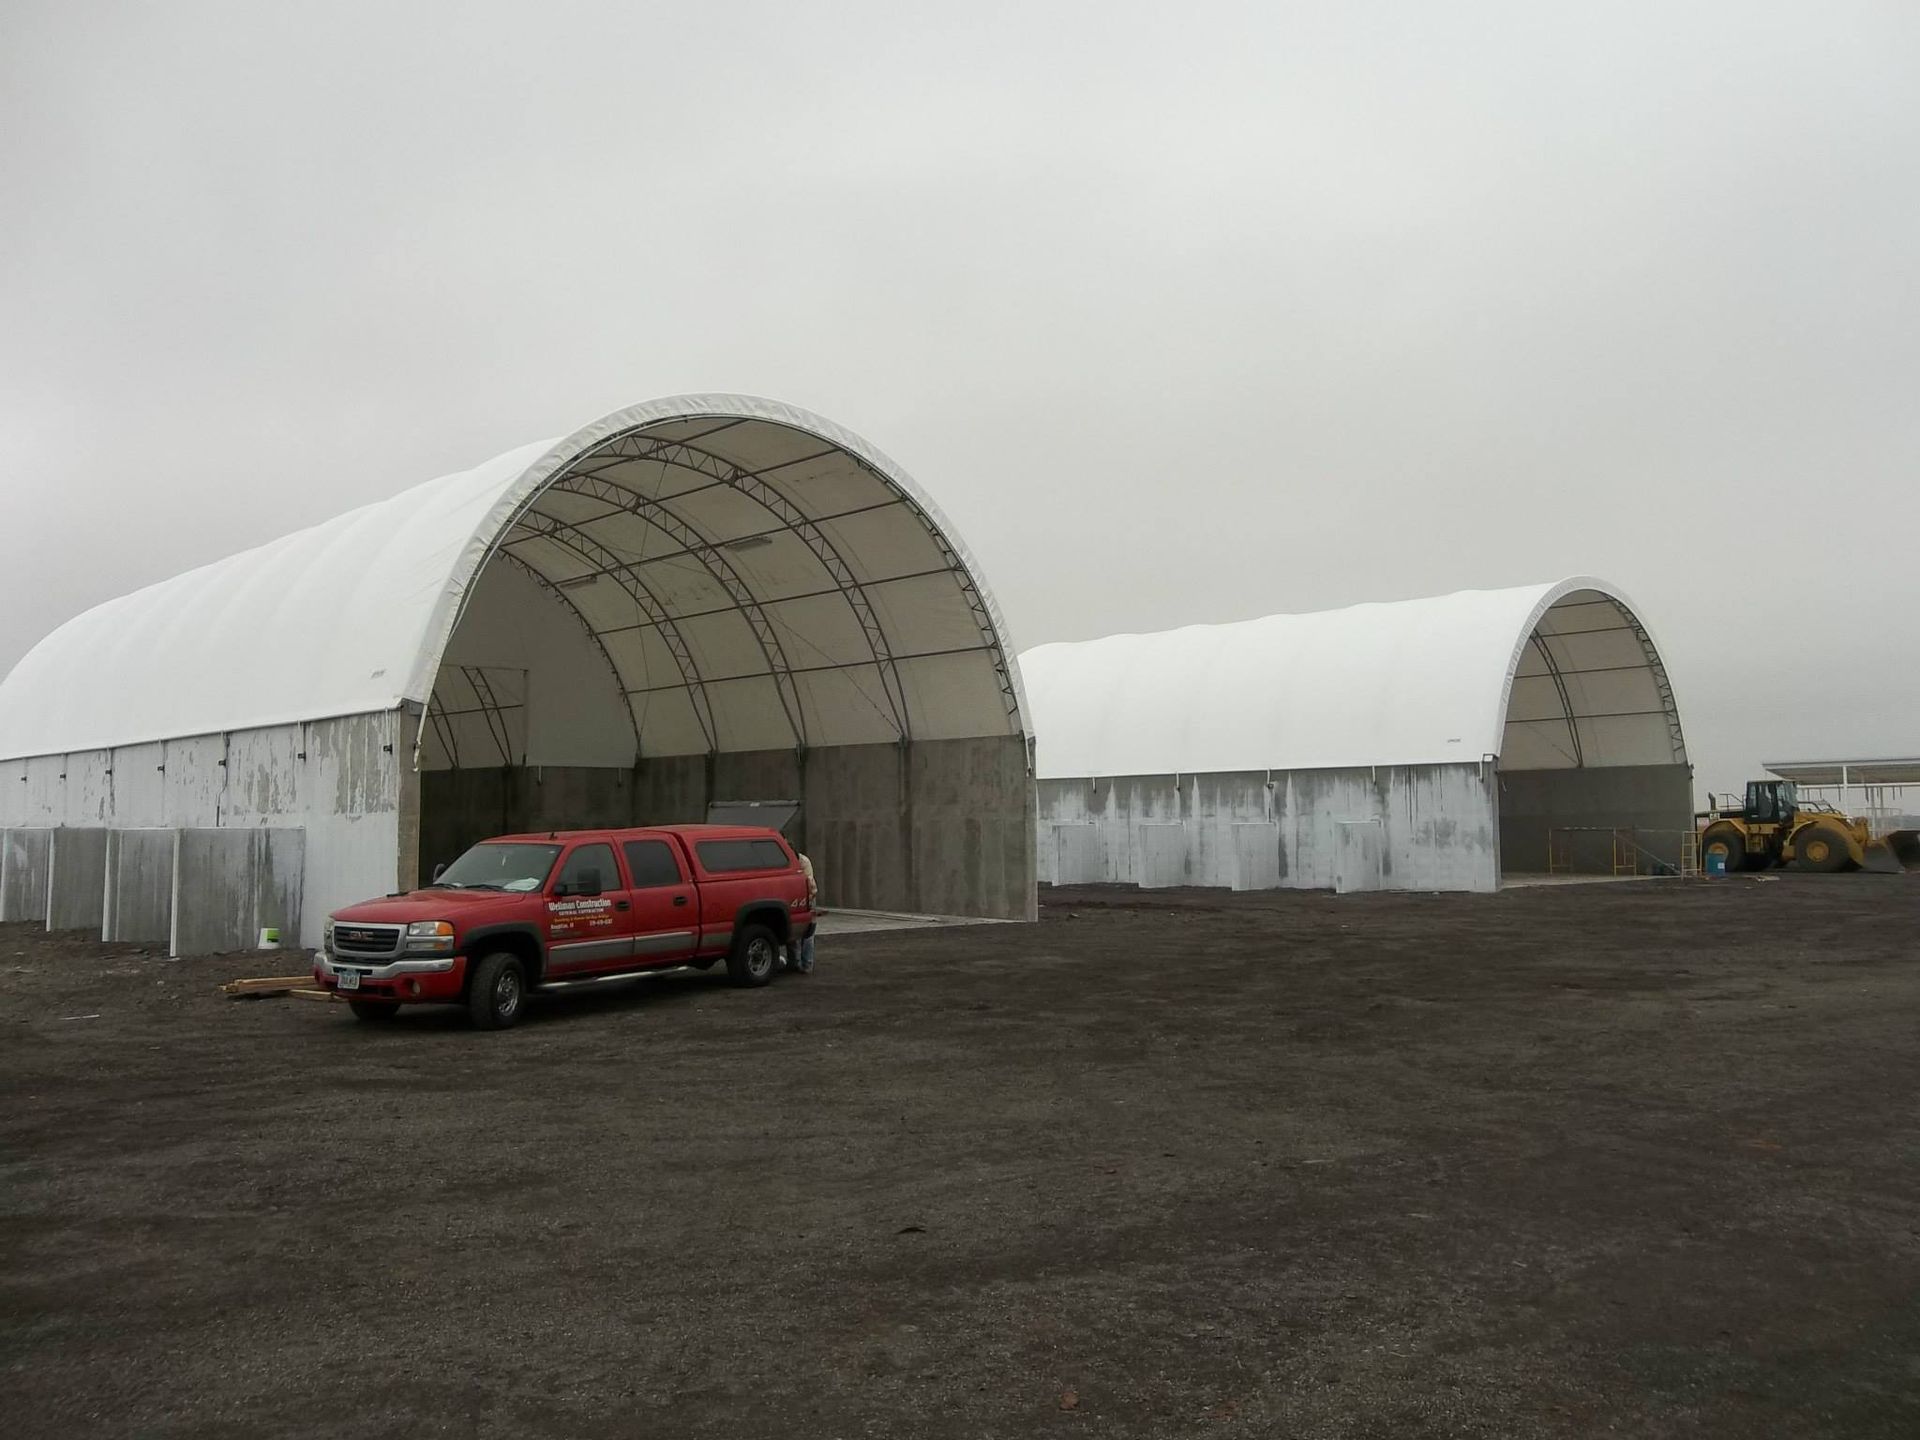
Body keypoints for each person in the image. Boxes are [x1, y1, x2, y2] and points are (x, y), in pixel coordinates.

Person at [792, 850, 817, 974]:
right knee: (795, 934)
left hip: (808, 897)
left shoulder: (804, 862)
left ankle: (807, 964)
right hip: (795, 897)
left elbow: (810, 885)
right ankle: (795, 963)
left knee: (808, 934)